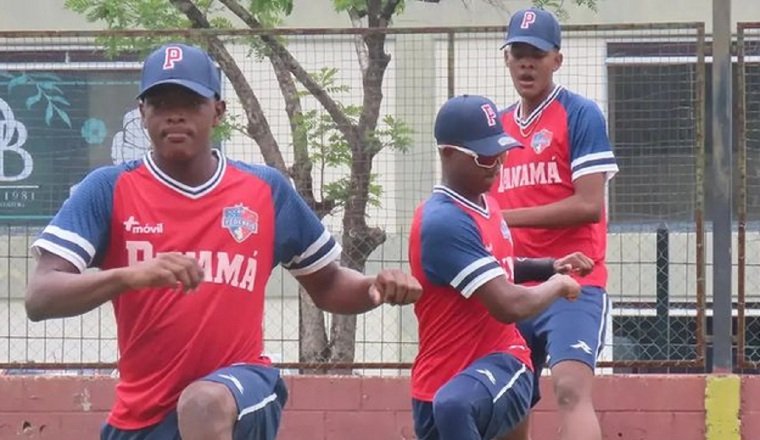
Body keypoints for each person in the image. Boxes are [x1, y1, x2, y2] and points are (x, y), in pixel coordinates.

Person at [25, 42, 422, 440]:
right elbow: (41, 296)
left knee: (203, 403)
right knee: (192, 408)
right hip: (143, 415)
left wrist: (374, 288)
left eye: (191, 102)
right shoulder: (107, 189)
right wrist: (131, 276)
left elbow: (329, 284)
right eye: (161, 102)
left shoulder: (265, 190)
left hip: (240, 389)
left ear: (218, 111)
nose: (175, 114)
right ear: (142, 112)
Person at [408, 94, 594, 440]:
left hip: (502, 360)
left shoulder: (485, 204)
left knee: (455, 404)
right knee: (448, 403)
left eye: (502, 152)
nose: (497, 165)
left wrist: (550, 266)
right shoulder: (444, 220)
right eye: (485, 156)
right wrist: (559, 285)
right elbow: (510, 304)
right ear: (447, 153)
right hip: (437, 384)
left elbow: (500, 266)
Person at [490, 8, 620, 440]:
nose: (527, 63)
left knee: (569, 388)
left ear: (556, 60)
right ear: (507, 59)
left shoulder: (580, 114)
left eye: (538, 54)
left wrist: (503, 217)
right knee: (511, 397)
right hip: (512, 283)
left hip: (574, 280)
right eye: (519, 53)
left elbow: (589, 205)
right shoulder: (498, 128)